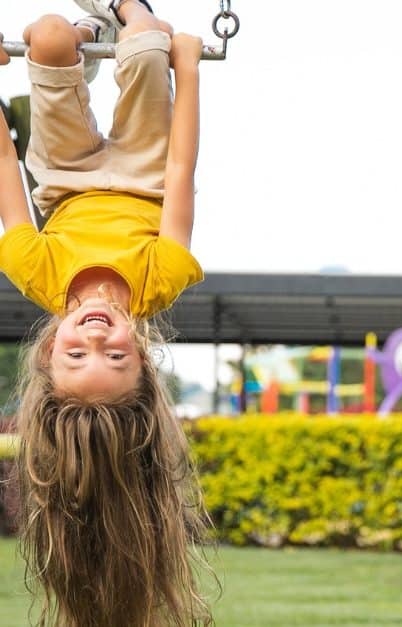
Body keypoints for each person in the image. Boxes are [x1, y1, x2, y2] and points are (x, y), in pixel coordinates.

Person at [0, 1, 214, 623]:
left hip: (64, 176)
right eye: (116, 356)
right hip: (146, 173)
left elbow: (8, 177)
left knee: (46, 36)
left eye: (76, 354)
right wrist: (190, 70)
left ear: (47, 349)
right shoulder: (160, 280)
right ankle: (126, 11)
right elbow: (180, 171)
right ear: (143, 358)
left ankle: (90, 36)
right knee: (149, 43)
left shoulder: (35, 274)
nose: (96, 337)